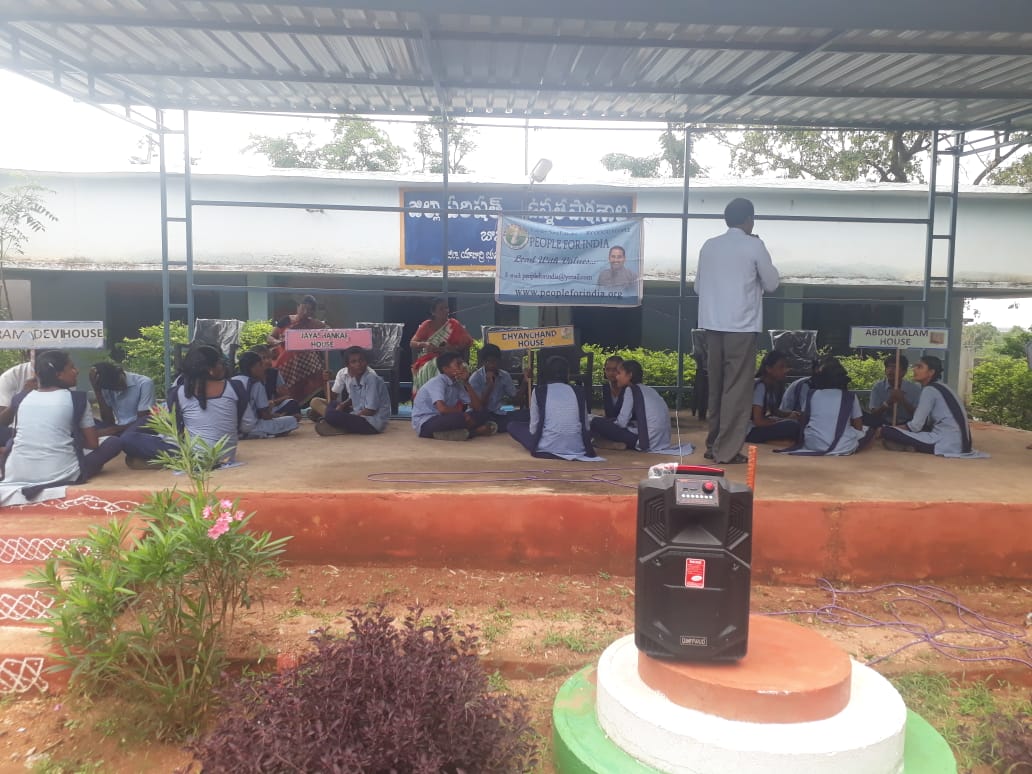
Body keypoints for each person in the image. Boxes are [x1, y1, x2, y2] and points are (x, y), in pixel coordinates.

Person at [693, 197, 779, 464]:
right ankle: (726, 451)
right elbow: (772, 283)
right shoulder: (754, 245)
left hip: (711, 326)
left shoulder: (709, 245)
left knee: (716, 387)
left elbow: (697, 287)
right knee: (737, 391)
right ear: (749, 220)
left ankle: (713, 444)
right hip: (741, 326)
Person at [1, 350, 122, 494]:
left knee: (15, 442)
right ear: (58, 375)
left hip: (15, 473)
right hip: (59, 474)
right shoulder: (78, 399)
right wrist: (68, 439)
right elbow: (92, 444)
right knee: (114, 442)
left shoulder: (20, 398)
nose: (77, 371)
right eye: (71, 367)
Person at [122, 345, 256, 468]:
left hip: (193, 456)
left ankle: (170, 462)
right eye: (220, 363)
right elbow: (247, 425)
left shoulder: (178, 393)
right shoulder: (235, 387)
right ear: (210, 370)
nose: (223, 366)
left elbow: (177, 432)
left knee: (128, 439)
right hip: (226, 455)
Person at [881, 356, 979, 456]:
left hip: (947, 443)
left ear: (931, 372)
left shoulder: (929, 390)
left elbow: (915, 426)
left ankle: (911, 446)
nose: (914, 369)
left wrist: (892, 429)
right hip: (963, 444)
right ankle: (909, 446)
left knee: (887, 431)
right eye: (915, 366)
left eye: (919, 367)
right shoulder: (943, 387)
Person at [508, 355, 599, 460]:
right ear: (567, 374)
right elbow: (586, 427)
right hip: (578, 448)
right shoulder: (579, 391)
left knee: (513, 426)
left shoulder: (538, 391)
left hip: (547, 448)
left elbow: (533, 429)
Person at [779, 357, 869, 456]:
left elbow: (804, 421)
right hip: (842, 447)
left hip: (812, 444)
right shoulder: (850, 397)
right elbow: (858, 427)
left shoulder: (812, 394)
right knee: (867, 430)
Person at [410, 351, 497, 441]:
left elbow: (477, 407)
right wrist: (463, 415)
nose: (463, 367)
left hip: (444, 419)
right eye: (458, 364)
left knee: (483, 413)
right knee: (460, 418)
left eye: (462, 363)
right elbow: (442, 409)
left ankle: (452, 433)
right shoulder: (437, 382)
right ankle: (475, 432)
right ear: (446, 369)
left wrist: (466, 383)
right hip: (426, 423)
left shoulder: (457, 384)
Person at [590, 360, 671, 451]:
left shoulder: (631, 390)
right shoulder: (649, 390)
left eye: (619, 373)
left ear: (629, 375)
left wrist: (609, 423)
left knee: (595, 422)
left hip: (645, 442)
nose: (616, 376)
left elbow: (622, 423)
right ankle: (612, 443)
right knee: (610, 422)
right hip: (661, 441)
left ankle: (606, 443)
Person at [310, 346, 391, 436]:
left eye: (361, 360)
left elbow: (370, 411)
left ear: (366, 362)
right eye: (353, 362)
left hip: (372, 422)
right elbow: (353, 398)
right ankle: (337, 426)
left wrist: (348, 418)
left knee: (332, 415)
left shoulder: (371, 379)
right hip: (358, 414)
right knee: (333, 404)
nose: (358, 364)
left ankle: (337, 425)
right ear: (348, 365)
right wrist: (342, 405)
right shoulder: (353, 380)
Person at [267, 295, 330, 404]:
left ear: (312, 312)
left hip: (307, 365)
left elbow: (329, 331)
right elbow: (270, 337)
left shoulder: (314, 323)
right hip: (285, 363)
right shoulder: (286, 320)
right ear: (298, 307)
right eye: (303, 308)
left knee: (317, 369)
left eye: (309, 310)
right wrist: (277, 342)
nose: (305, 312)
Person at [409, 298, 474, 397]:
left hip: (450, 358)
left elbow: (467, 343)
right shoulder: (427, 325)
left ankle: (456, 399)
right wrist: (425, 344)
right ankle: (432, 399)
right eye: (441, 309)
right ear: (433, 312)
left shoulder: (454, 324)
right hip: (429, 359)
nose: (445, 311)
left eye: (446, 308)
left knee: (460, 368)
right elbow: (412, 343)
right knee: (435, 368)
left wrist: (451, 348)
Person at [233, 351, 299, 439]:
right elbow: (265, 416)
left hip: (232, 426)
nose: (262, 368)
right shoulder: (256, 384)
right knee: (292, 420)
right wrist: (278, 416)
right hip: (250, 426)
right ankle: (259, 434)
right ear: (252, 367)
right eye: (260, 365)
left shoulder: (231, 380)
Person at [745, 351, 801, 445]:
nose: (786, 370)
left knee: (795, 424)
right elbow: (758, 421)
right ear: (768, 369)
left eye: (786, 367)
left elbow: (774, 411)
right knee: (792, 426)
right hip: (749, 431)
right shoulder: (760, 387)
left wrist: (790, 414)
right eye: (781, 367)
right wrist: (781, 420)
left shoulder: (772, 385)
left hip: (757, 427)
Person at [88, 361, 157, 436]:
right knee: (88, 426)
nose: (119, 388)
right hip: (119, 428)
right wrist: (97, 390)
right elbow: (108, 421)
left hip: (137, 430)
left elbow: (142, 422)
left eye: (119, 383)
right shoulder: (107, 387)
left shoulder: (144, 383)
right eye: (115, 388)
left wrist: (115, 429)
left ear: (120, 371)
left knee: (126, 435)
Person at [468, 344, 522, 431]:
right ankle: (490, 426)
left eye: (494, 361)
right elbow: (479, 406)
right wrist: (490, 386)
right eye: (488, 362)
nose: (492, 365)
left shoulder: (504, 375)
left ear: (499, 361)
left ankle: (492, 426)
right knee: (476, 417)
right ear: (483, 362)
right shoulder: (475, 378)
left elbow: (516, 398)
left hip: (500, 410)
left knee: (521, 413)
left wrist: (525, 381)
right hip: (481, 412)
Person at [864, 354, 922, 427]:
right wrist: (888, 402)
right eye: (888, 367)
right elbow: (873, 413)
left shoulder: (914, 389)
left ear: (904, 372)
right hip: (884, 423)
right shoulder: (878, 387)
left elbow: (919, 415)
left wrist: (903, 400)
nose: (890, 370)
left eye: (894, 367)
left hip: (907, 425)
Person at [250, 344, 301, 417]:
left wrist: (273, 402)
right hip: (254, 411)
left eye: (269, 357)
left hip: (271, 408)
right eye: (263, 358)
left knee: (292, 404)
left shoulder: (274, 373)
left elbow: (286, 396)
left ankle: (278, 417)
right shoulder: (248, 376)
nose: (267, 361)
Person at [0, 353, 36, 447]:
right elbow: (1, 422)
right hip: (14, 433)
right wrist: (23, 395)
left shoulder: (66, 374)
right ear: (29, 354)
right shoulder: (11, 376)